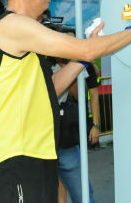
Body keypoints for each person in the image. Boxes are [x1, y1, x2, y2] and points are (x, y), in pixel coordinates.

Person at [0, 0, 131, 203]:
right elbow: (87, 50)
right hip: (19, 159)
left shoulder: (24, 33)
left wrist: (83, 57)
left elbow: (51, 87)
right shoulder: (13, 25)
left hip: (38, 155)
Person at [51, 50, 98, 203]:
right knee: (57, 187)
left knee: (82, 194)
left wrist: (95, 125)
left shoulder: (80, 64)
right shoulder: (43, 63)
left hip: (65, 138)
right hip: (44, 138)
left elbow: (86, 95)